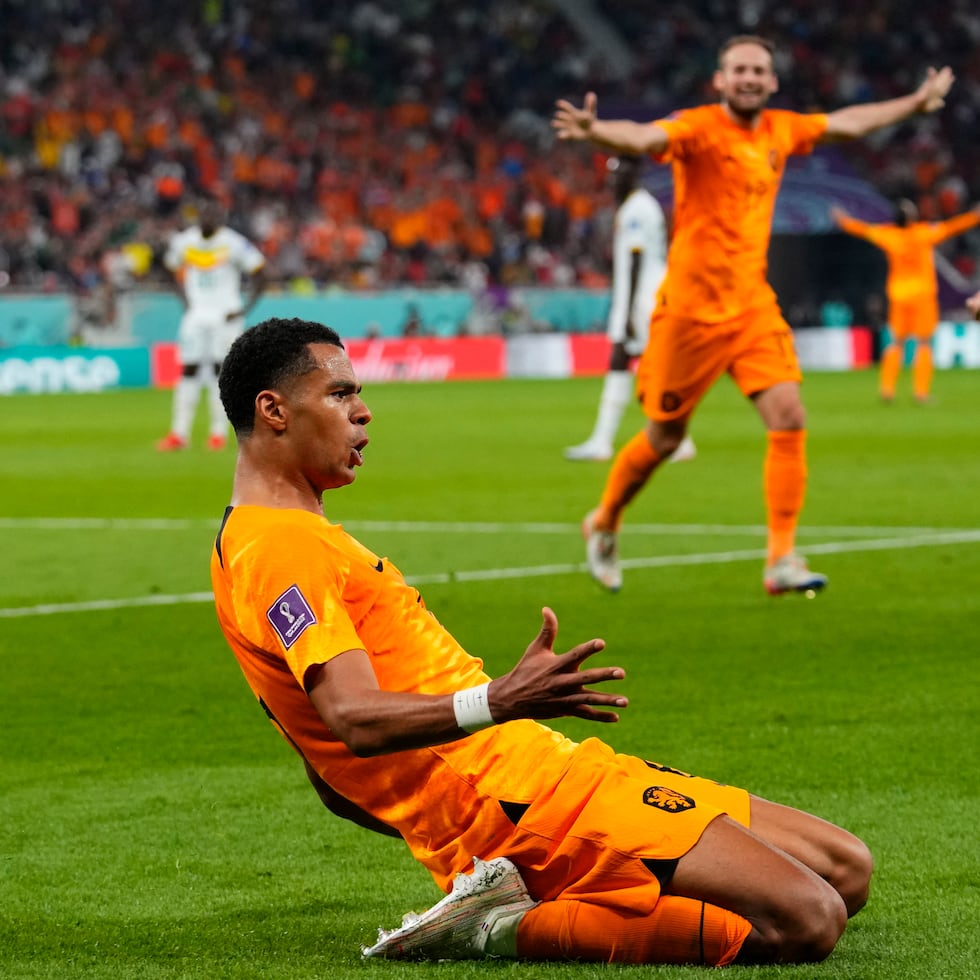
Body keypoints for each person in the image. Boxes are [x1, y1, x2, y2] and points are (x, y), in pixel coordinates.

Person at [211, 316, 873, 967]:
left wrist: (433, 818)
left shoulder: (266, 539)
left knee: (847, 870)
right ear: (273, 409)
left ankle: (520, 894)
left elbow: (324, 770)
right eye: (341, 393)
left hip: (540, 769)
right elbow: (350, 720)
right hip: (513, 797)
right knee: (807, 919)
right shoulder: (279, 546)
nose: (364, 412)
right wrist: (496, 706)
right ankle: (501, 926)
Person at [551, 36, 955, 596]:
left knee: (788, 414)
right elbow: (645, 137)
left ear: (771, 82)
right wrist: (598, 132)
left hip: (752, 307)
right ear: (720, 79)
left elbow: (848, 123)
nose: (748, 78)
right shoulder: (697, 127)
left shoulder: (782, 129)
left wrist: (913, 103)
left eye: (758, 71)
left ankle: (781, 559)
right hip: (689, 316)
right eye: (738, 69)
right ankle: (605, 521)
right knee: (664, 437)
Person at [564, 156, 695, 464]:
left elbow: (636, 260)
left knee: (647, 366)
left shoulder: (637, 208)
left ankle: (670, 438)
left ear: (635, 174)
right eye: (611, 174)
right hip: (638, 296)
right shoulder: (633, 206)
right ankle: (608, 440)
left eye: (619, 173)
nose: (613, 180)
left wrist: (630, 312)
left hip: (644, 298)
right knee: (630, 361)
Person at [831, 200, 980, 403]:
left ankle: (887, 390)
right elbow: (952, 227)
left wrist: (844, 221)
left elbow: (863, 230)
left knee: (895, 343)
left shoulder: (889, 235)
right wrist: (974, 216)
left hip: (899, 297)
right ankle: (921, 392)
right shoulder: (923, 233)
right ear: (912, 217)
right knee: (925, 343)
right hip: (922, 296)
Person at [156, 196, 267, 452]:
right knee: (189, 369)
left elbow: (261, 274)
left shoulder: (234, 243)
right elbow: (169, 267)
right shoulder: (185, 241)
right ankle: (179, 434)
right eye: (203, 215)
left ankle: (218, 433)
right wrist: (184, 299)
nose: (207, 219)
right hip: (196, 315)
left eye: (213, 215)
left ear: (221, 218)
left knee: (222, 371)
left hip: (225, 315)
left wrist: (242, 309)